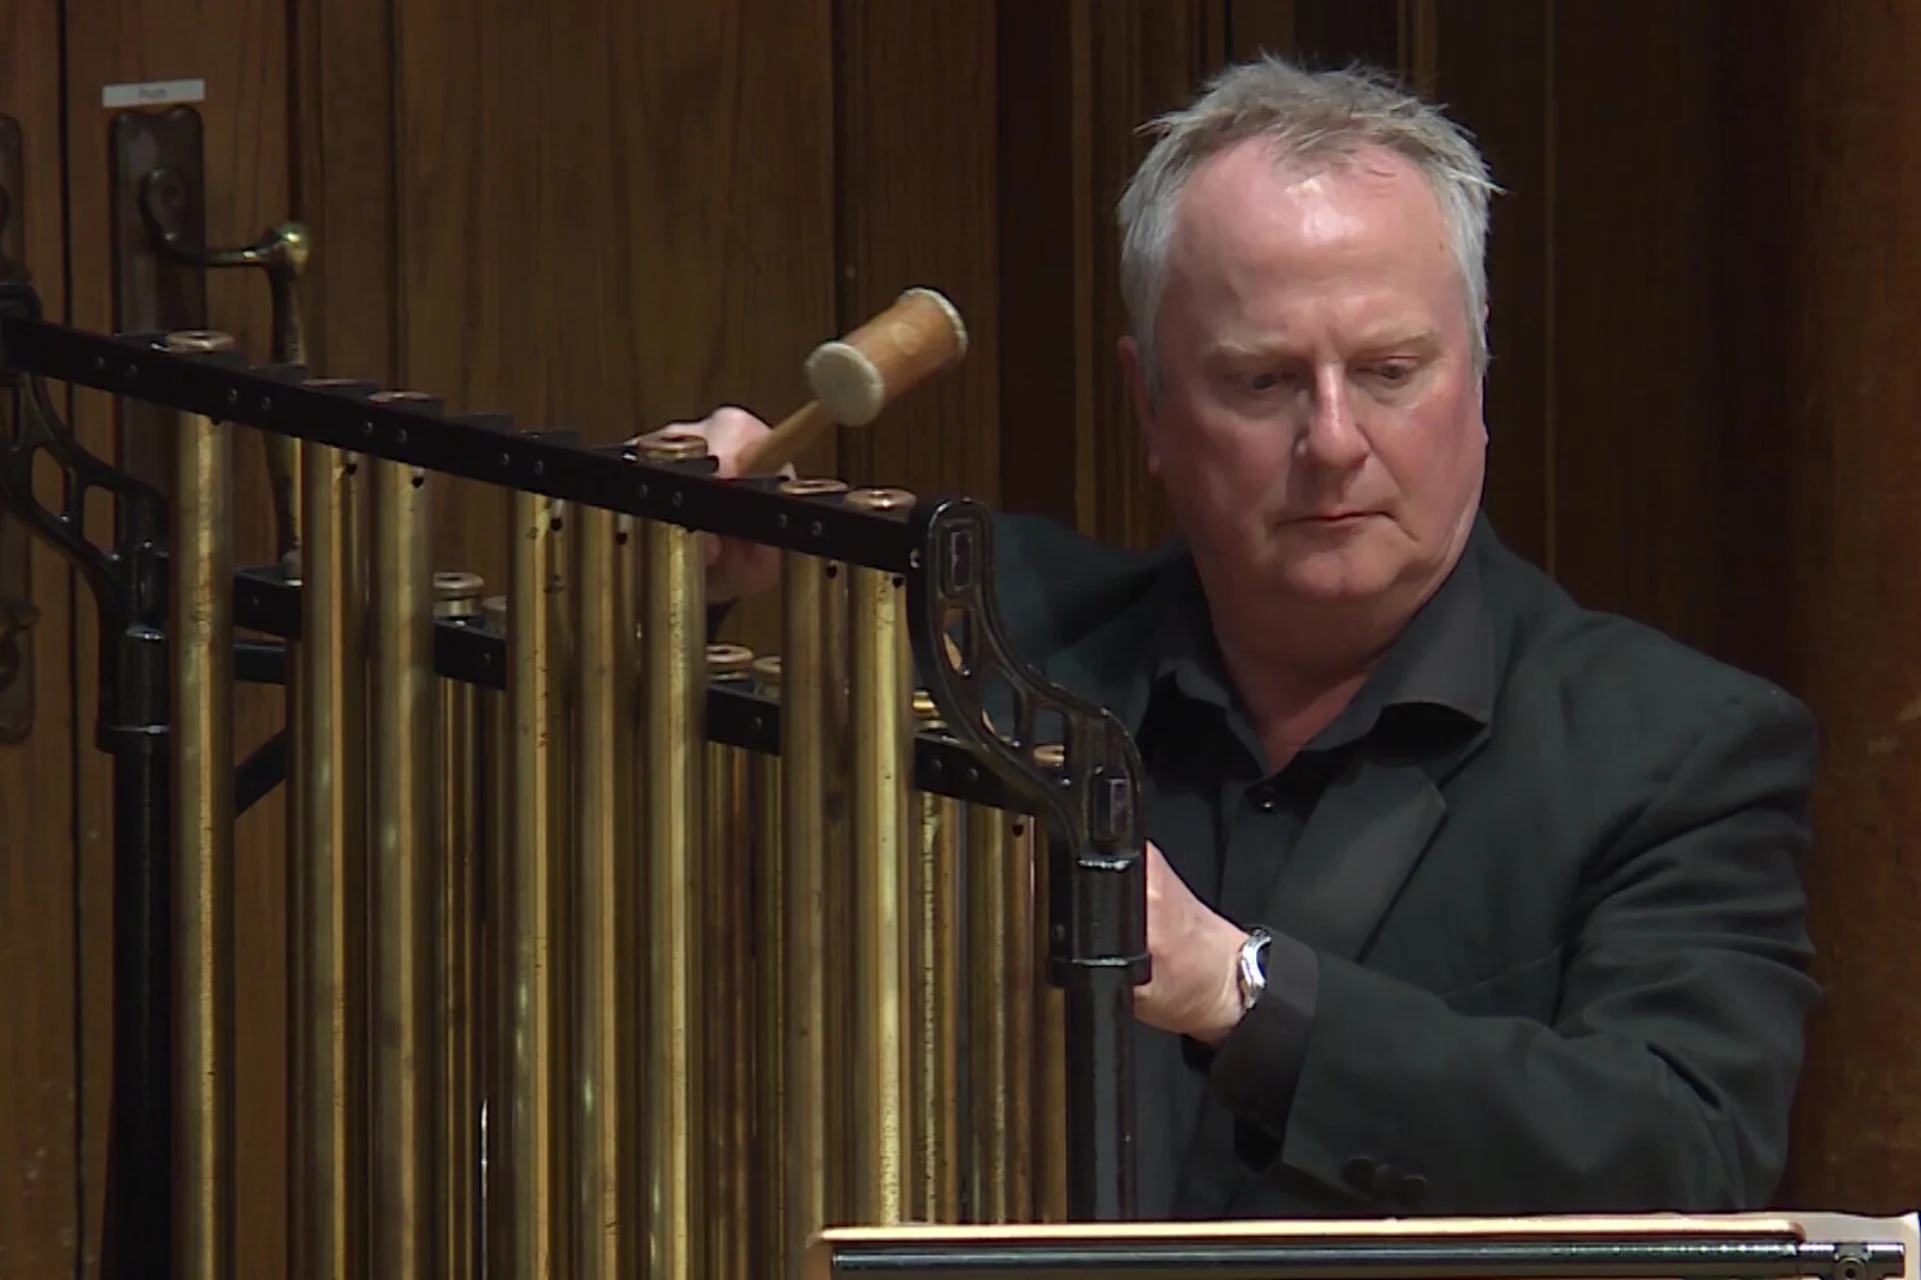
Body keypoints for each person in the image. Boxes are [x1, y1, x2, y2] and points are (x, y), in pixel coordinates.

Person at [665, 55, 1820, 1219]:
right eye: (1262, 380)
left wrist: (1246, 990)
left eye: (1387, 371)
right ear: (1150, 408)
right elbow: (666, 881)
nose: (1332, 440)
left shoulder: (1677, 746)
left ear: (1478, 380)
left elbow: (1686, 1151)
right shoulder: (991, 640)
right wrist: (694, 573)